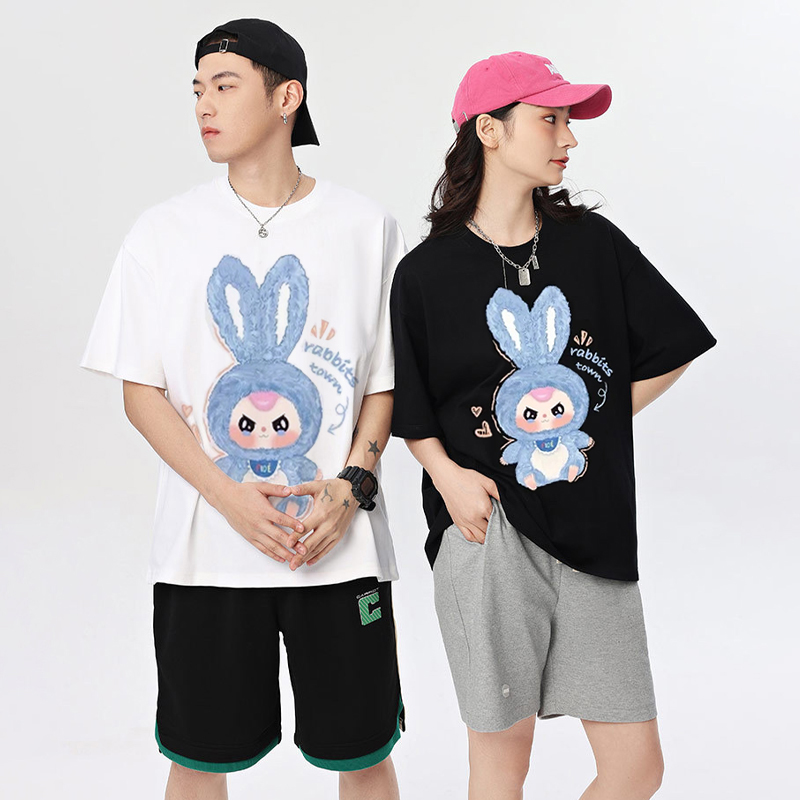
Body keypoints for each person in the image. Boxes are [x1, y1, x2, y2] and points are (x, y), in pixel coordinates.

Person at [81, 18, 405, 800]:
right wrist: (228, 498)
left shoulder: (366, 227)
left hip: (338, 547)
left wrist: (350, 488)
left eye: (225, 85)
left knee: (363, 754)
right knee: (198, 757)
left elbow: (384, 382)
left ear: (287, 97)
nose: (204, 105)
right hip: (204, 557)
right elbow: (139, 390)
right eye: (197, 89)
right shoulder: (162, 232)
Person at [390, 52, 716, 800]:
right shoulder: (426, 272)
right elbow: (410, 404)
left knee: (636, 768)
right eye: (550, 119)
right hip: (489, 532)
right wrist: (447, 476)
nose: (568, 137)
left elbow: (673, 344)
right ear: (489, 130)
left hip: (595, 534)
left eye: (568, 121)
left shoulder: (592, 244)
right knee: (502, 764)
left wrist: (592, 422)